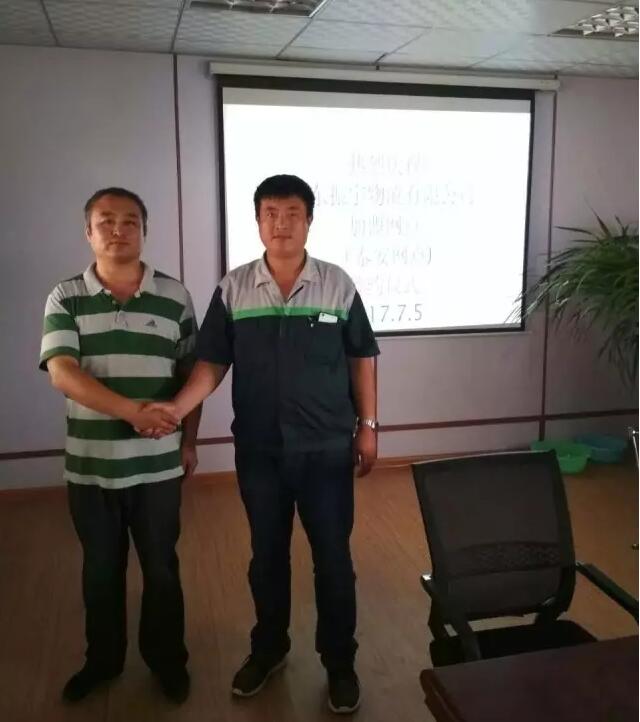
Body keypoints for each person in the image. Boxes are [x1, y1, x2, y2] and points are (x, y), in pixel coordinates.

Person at [149, 174, 379, 713]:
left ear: (309, 221)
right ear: (257, 222)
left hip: (326, 451)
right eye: (271, 213)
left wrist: (368, 425)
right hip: (260, 452)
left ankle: (339, 663)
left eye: (293, 213)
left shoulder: (338, 285)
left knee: (333, 560)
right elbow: (211, 363)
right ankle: (269, 649)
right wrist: (177, 411)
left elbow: (361, 357)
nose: (282, 223)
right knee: (267, 557)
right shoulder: (233, 289)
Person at [39, 187, 200, 704]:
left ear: (144, 231)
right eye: (106, 220)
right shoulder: (66, 296)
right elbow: (63, 373)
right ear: (88, 232)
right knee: (101, 571)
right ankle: (103, 662)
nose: (118, 229)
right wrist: (133, 412)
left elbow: (190, 375)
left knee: (162, 570)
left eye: (130, 221)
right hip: (92, 468)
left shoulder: (174, 296)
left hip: (158, 467)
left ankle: (167, 661)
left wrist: (189, 440)